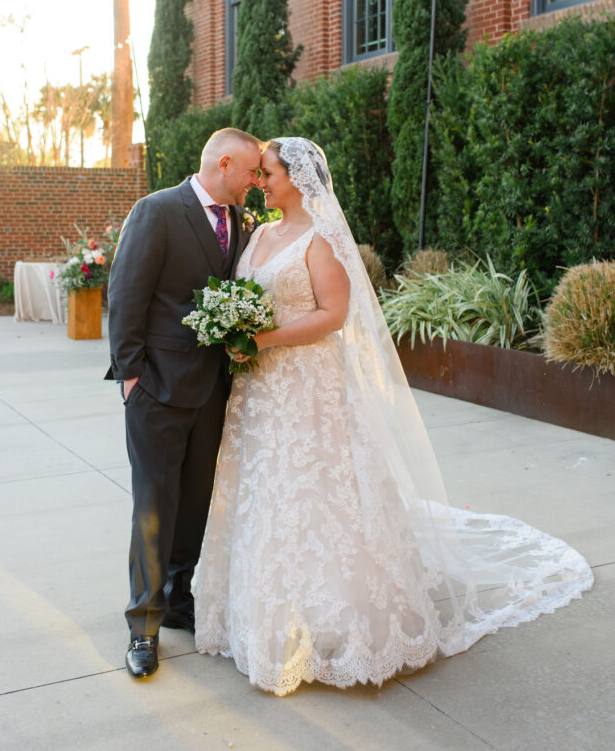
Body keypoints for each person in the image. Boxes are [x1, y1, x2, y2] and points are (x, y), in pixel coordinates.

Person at [193, 136, 593, 696]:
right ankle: (264, 619)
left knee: (318, 491)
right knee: (266, 492)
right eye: (259, 173)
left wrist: (264, 338)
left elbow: (334, 315)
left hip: (309, 387)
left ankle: (340, 626)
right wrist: (236, 331)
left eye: (270, 172)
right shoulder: (259, 234)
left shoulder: (322, 238)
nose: (261, 182)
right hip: (261, 392)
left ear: (298, 178)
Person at [106, 127, 261, 680]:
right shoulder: (157, 211)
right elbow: (125, 296)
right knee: (154, 507)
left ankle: (177, 602)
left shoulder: (242, 223)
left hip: (213, 391)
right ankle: (142, 627)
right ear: (224, 164)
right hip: (156, 390)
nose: (256, 181)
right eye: (250, 172)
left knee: (194, 506)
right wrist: (131, 378)